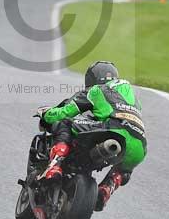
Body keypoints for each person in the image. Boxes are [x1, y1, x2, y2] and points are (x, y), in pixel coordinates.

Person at [38, 61, 146, 211]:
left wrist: (46, 115)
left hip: (112, 128)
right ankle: (108, 186)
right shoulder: (132, 97)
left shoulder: (96, 90)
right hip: (140, 146)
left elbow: (65, 112)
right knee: (125, 169)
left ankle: (54, 166)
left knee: (65, 123)